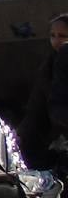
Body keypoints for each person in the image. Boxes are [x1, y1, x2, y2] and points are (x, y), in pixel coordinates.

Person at [21, 15, 68, 170]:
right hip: (56, 138)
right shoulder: (48, 66)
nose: (56, 40)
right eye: (52, 35)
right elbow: (37, 106)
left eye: (62, 36)